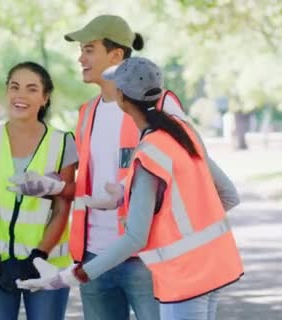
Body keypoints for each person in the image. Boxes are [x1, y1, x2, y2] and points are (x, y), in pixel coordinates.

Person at [17, 57, 244, 320]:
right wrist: (127, 194)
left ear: (122, 98)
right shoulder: (184, 132)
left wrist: (70, 276)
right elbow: (228, 194)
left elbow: (134, 238)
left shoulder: (149, 153)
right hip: (215, 266)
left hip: (186, 276)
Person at [7, 15, 163, 320]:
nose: (81, 58)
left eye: (89, 49)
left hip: (144, 255)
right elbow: (86, 182)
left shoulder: (157, 107)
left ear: (116, 55)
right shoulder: (87, 112)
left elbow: (178, 173)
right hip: (93, 255)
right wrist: (50, 185)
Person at [0, 61, 78, 320]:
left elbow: (61, 209)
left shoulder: (63, 144)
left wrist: (38, 256)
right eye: (14, 87)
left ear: (44, 98)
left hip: (47, 265)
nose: (21, 96)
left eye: (31, 89)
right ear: (6, 92)